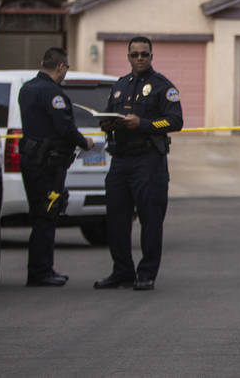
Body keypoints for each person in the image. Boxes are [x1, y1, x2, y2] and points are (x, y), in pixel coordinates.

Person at [94, 36, 182, 291]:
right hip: (120, 160)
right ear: (128, 56)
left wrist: (143, 124)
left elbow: (175, 121)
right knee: (117, 218)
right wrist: (107, 124)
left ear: (152, 56)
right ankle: (121, 271)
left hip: (149, 162)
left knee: (150, 219)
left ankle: (146, 274)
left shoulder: (162, 87)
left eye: (144, 54)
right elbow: (109, 114)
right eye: (135, 54)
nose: (140, 58)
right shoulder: (120, 86)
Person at [17, 47, 93, 287]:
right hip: (48, 166)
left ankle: (40, 269)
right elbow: (64, 128)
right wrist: (85, 142)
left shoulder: (27, 89)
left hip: (33, 162)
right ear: (61, 67)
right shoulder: (52, 93)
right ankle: (41, 272)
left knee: (40, 215)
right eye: (66, 69)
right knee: (47, 215)